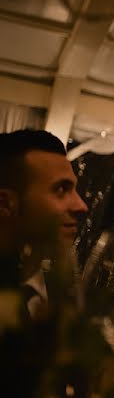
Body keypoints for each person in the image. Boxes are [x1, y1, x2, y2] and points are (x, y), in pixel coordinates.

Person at [0, 129, 87, 318]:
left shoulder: (61, 291)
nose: (81, 206)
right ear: (5, 203)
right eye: (61, 189)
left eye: (74, 189)